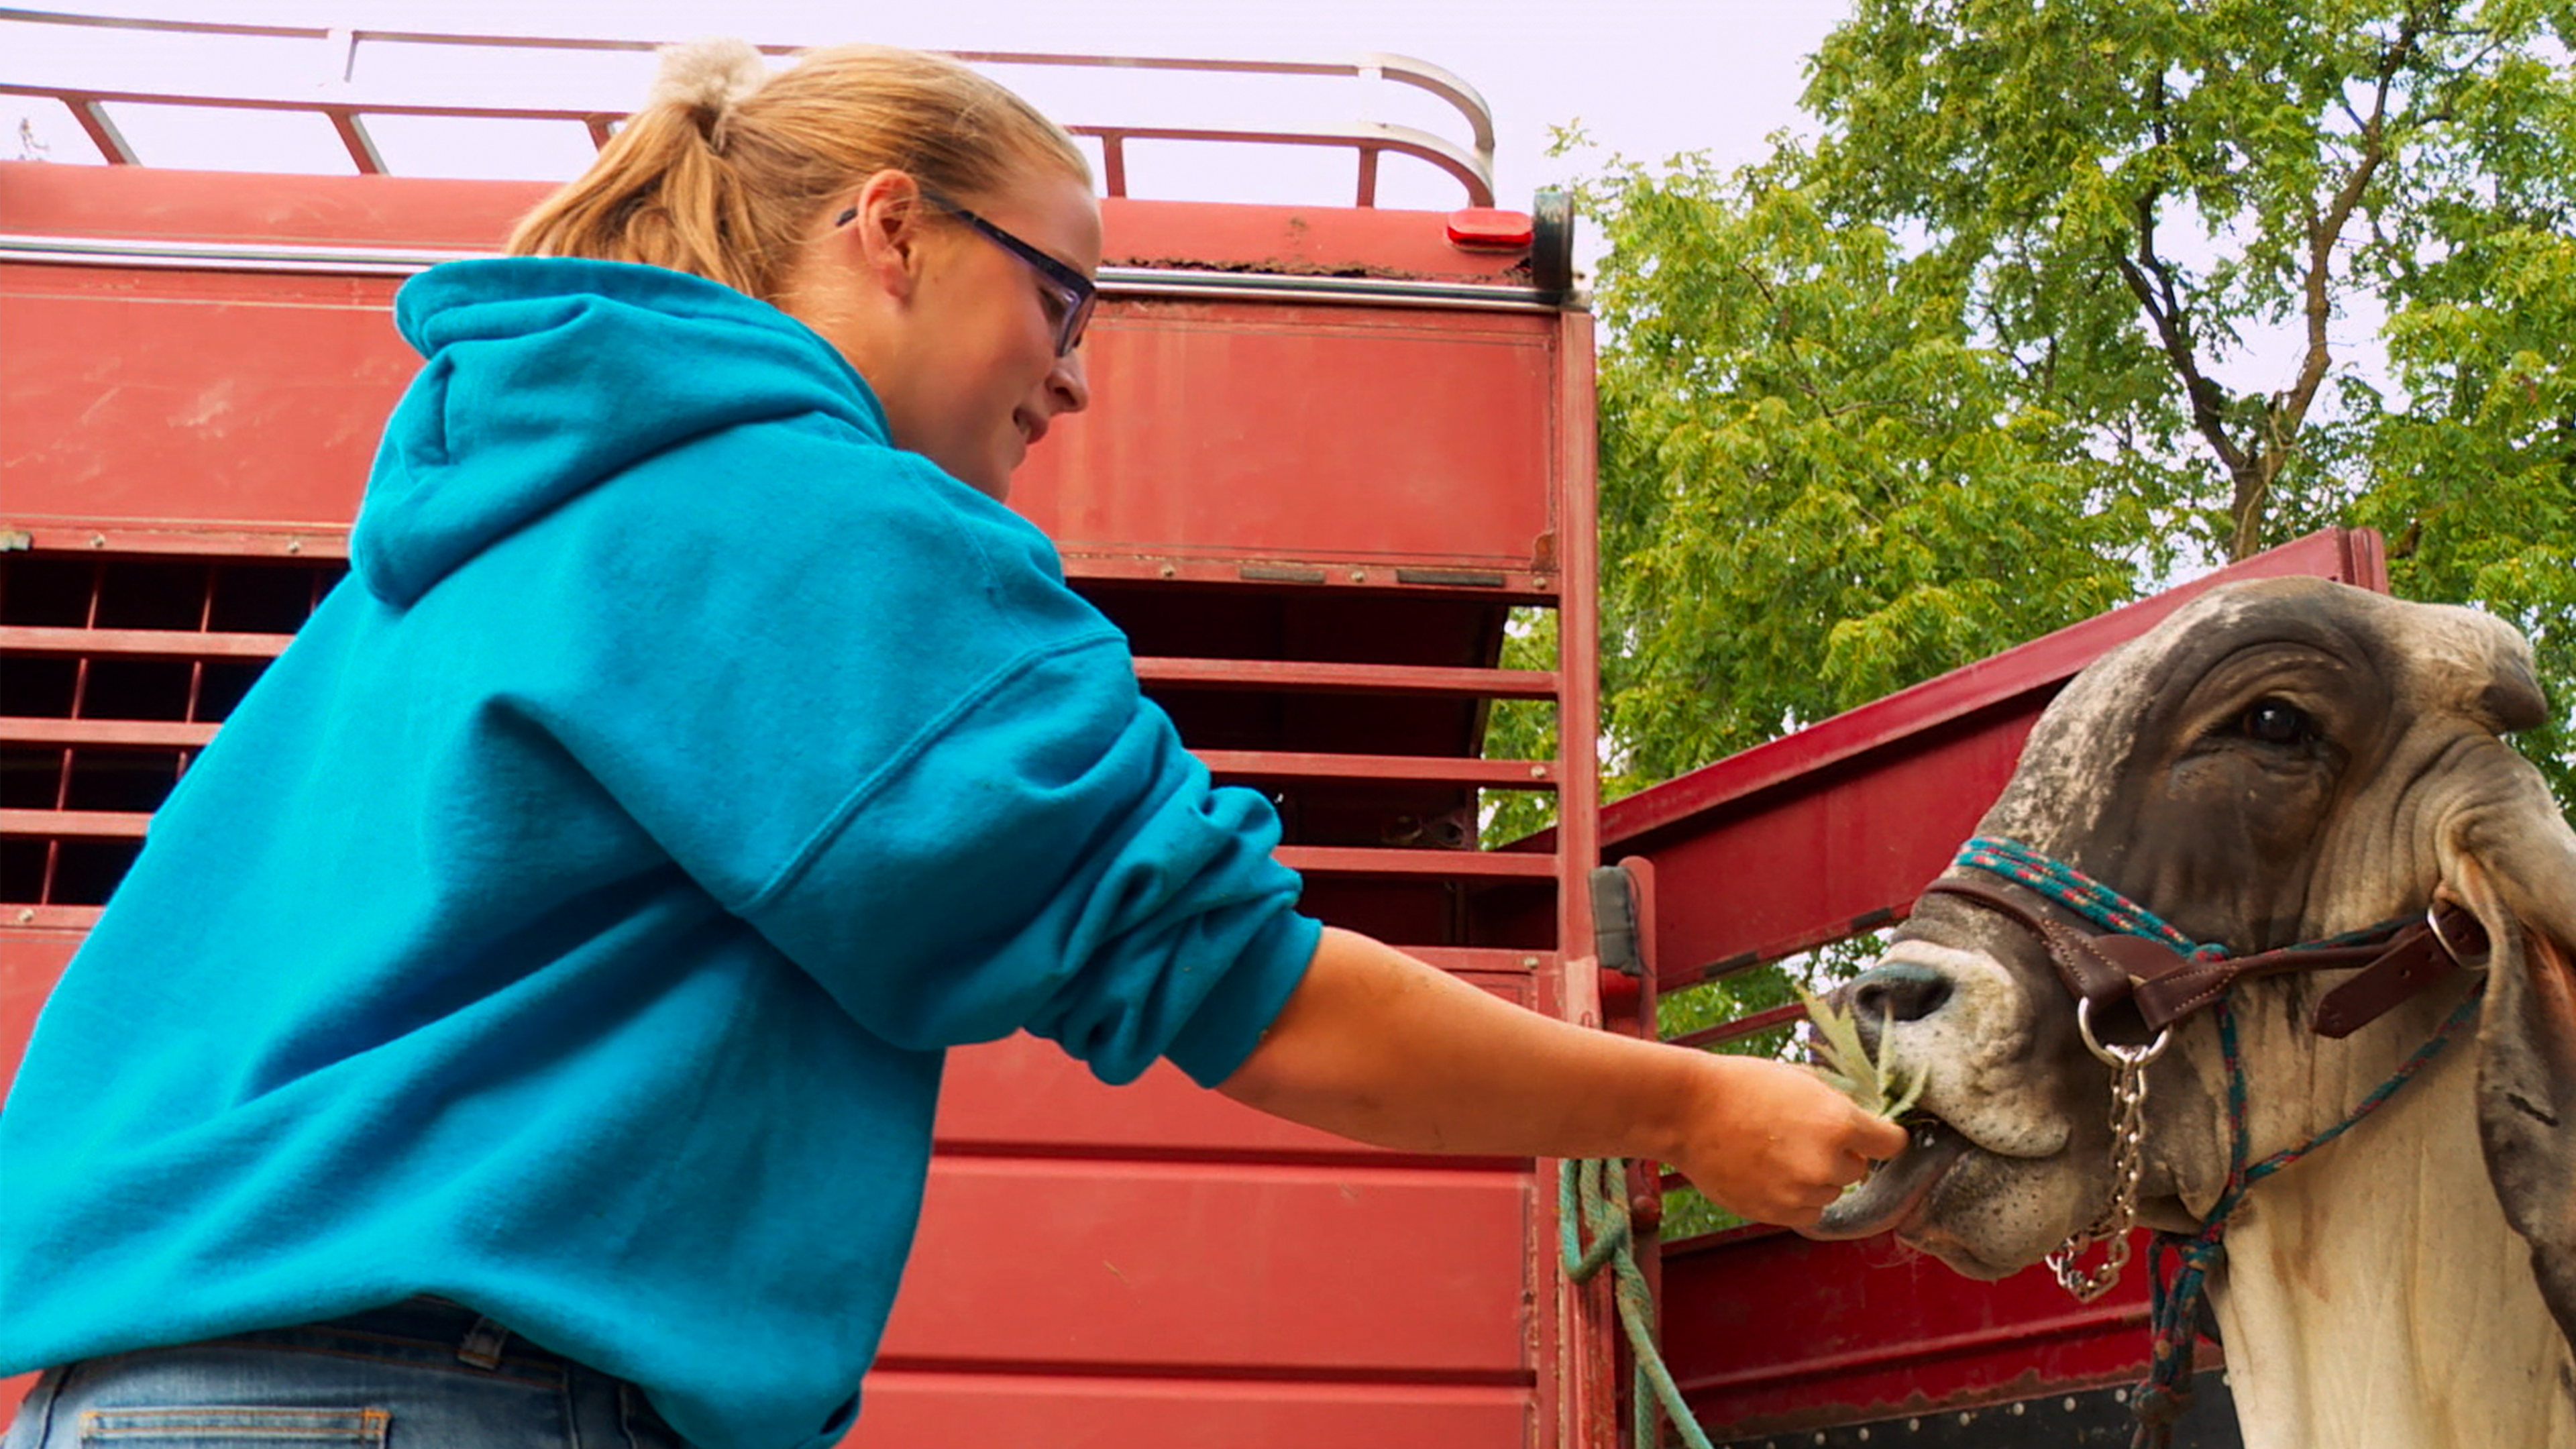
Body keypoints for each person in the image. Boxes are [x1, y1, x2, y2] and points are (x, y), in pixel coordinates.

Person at [0, 37, 1906, 1449]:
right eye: (1065, 295)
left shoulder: (466, 550)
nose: (1077, 374)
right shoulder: (801, 513)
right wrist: (1691, 1107)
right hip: (426, 1403)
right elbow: (1235, 983)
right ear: (890, 226)